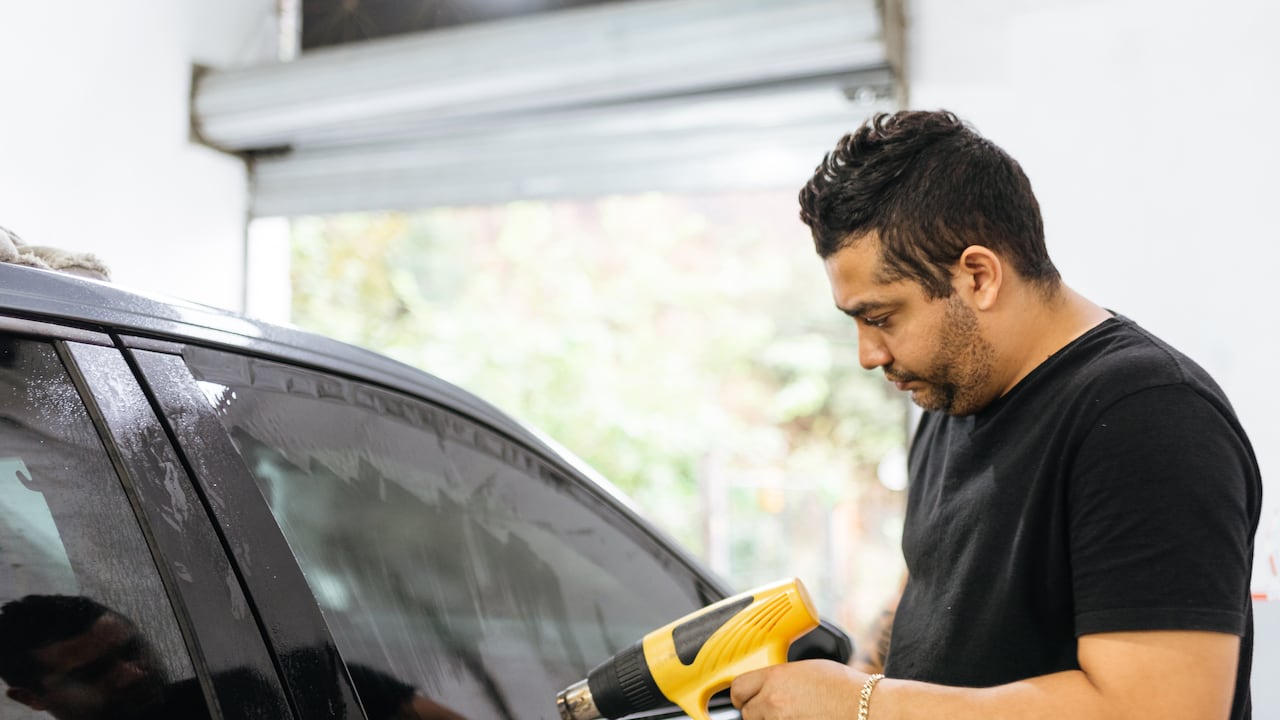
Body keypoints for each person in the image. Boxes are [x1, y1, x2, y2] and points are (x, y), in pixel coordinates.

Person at [730, 110, 1261, 719]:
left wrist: (864, 705)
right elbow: (930, 589)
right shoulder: (954, 390)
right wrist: (855, 679)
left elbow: (1162, 708)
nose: (868, 355)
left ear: (977, 276)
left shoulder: (1150, 417)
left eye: (881, 317)